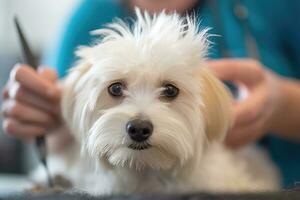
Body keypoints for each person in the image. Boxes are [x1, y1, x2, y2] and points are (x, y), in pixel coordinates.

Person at [2, 0, 300, 188]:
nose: (140, 119)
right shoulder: (86, 16)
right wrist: (48, 119)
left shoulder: (276, 6)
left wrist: (284, 104)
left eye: (169, 92)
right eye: (116, 89)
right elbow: (62, 139)